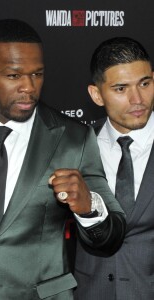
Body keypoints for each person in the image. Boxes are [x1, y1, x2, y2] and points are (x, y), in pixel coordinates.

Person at [0, 19, 126, 300]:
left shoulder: (72, 138)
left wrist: (89, 206)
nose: (29, 88)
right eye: (13, 76)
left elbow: (113, 234)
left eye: (37, 74)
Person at [74, 37, 154, 300]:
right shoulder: (73, 146)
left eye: (145, 83)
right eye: (121, 89)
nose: (137, 99)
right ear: (97, 94)